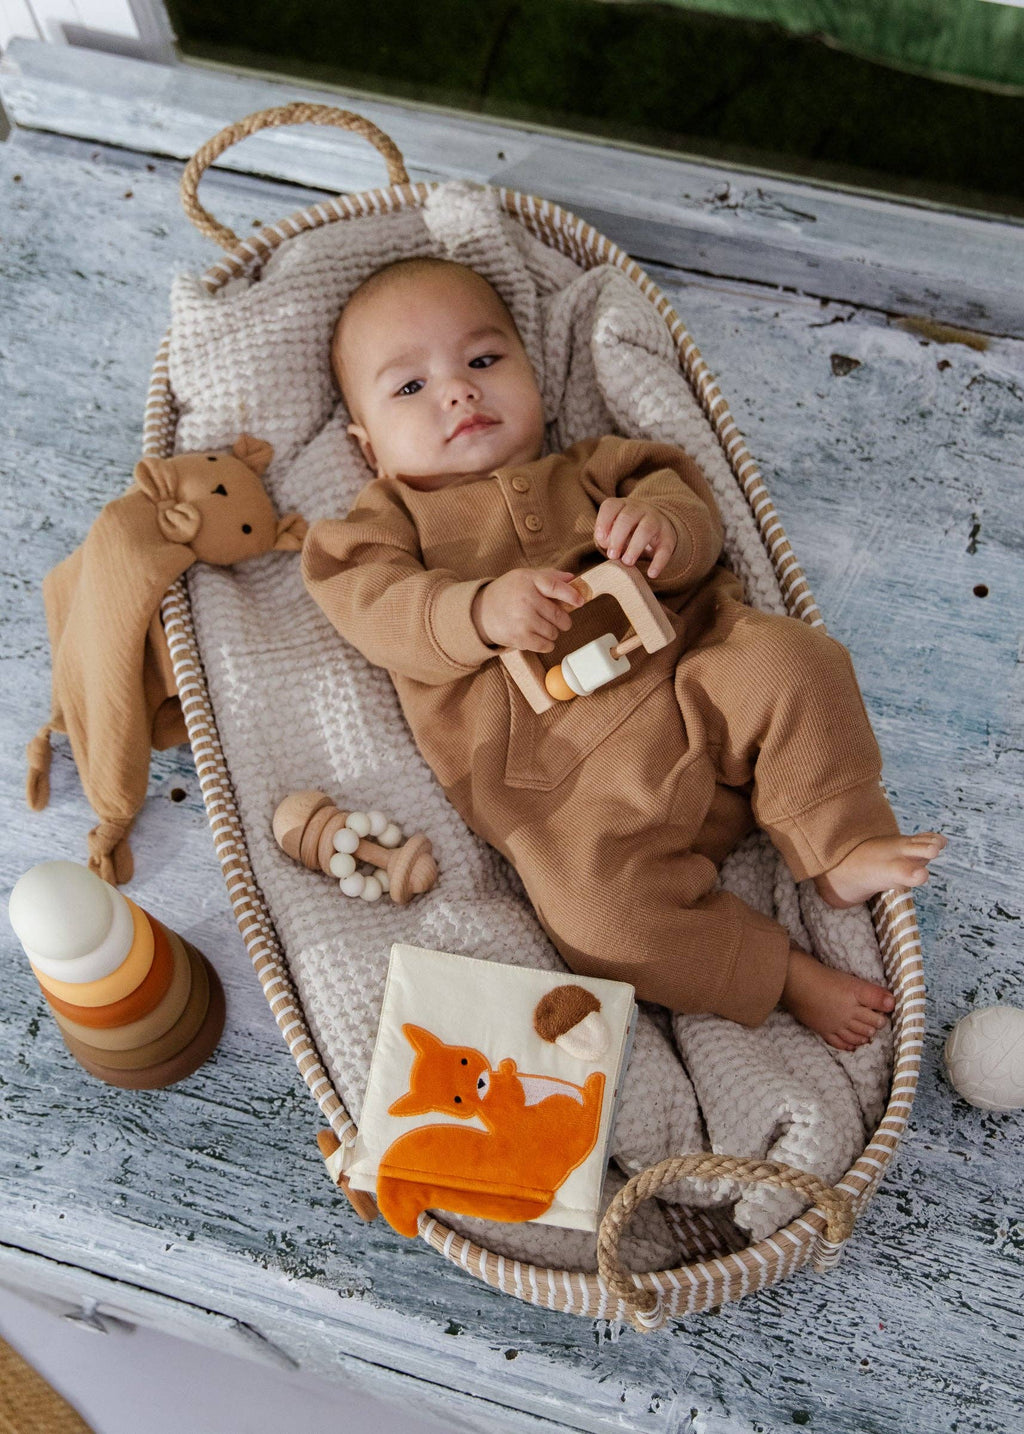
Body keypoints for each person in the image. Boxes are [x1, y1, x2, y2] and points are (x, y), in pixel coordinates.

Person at [302, 256, 945, 1050]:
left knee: (795, 661)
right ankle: (778, 972)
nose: (459, 391)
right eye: (411, 386)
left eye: (484, 360)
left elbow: (688, 503)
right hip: (568, 795)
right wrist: (476, 611)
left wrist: (663, 532)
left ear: (535, 376)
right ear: (368, 447)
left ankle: (837, 843)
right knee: (597, 924)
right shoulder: (383, 525)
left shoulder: (596, 467)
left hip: (697, 680)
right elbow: (372, 604)